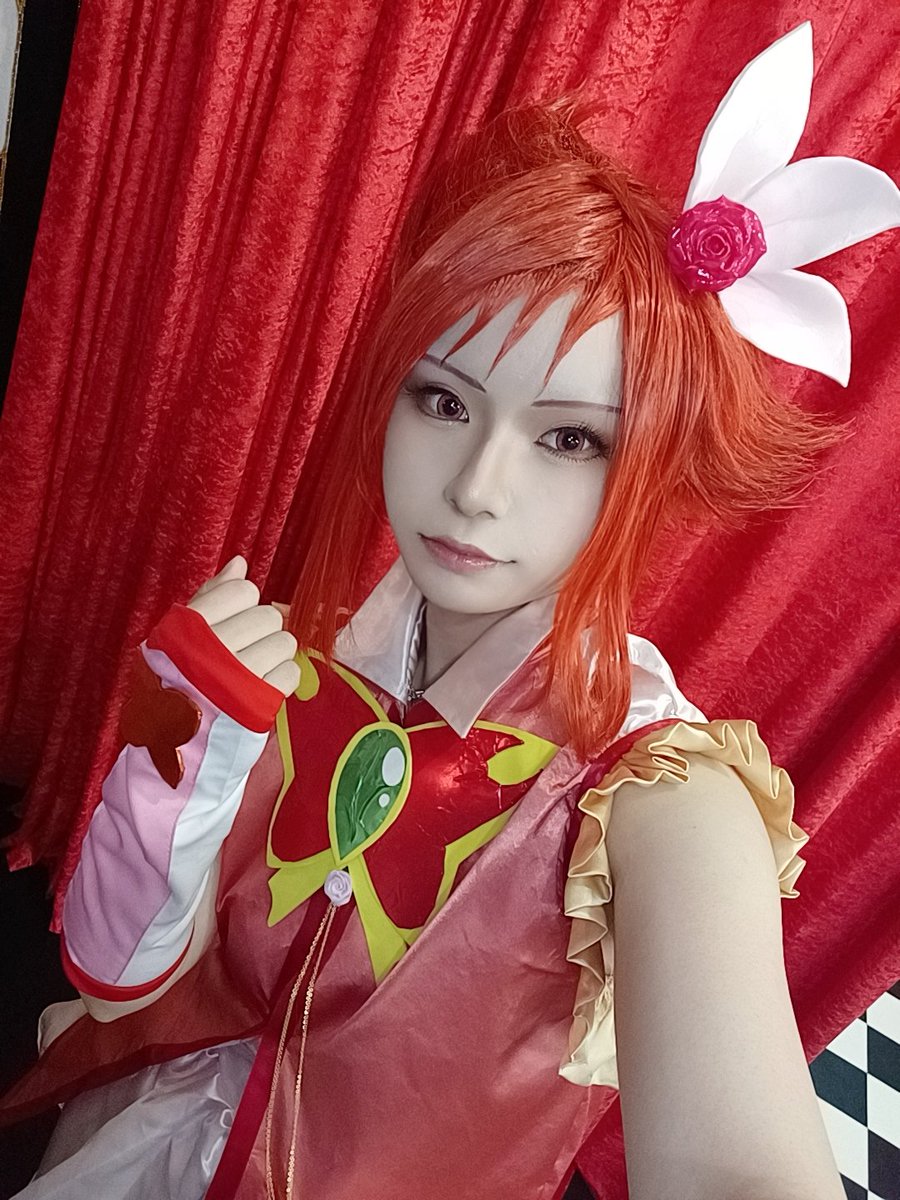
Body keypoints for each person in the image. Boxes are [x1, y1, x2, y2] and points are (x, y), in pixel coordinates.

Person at [3, 22, 898, 1200]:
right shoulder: (304, 649)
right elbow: (132, 978)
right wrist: (170, 766)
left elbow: (739, 1171)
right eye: (443, 400)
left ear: (646, 464)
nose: (478, 487)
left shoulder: (655, 791)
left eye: (570, 439)